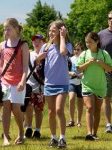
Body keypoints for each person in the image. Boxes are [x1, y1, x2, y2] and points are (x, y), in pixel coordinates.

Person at [36, 20, 72, 148]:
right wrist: (39, 57)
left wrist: (62, 37)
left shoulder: (67, 45)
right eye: (50, 30)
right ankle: (54, 138)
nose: (51, 33)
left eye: (54, 31)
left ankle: (62, 138)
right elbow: (37, 60)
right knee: (51, 112)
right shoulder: (46, 46)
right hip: (49, 83)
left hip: (62, 83)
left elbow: (62, 52)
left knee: (59, 110)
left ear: (61, 31)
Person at [76, 32, 112, 140]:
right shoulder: (84, 54)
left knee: (97, 110)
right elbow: (78, 68)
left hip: (100, 86)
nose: (88, 44)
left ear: (96, 42)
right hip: (87, 85)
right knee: (89, 107)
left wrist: (101, 63)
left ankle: (95, 133)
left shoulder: (104, 53)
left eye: (90, 42)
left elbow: (110, 68)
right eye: (86, 42)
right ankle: (89, 133)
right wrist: (88, 63)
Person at [1, 18, 29, 146]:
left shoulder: (23, 45)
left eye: (8, 29)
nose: (6, 31)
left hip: (18, 81)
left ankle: (21, 132)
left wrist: (23, 81)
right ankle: (5, 137)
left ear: (16, 29)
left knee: (16, 109)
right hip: (5, 81)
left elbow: (25, 66)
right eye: (5, 29)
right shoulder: (2, 45)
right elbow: (1, 65)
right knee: (6, 108)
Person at [24, 34, 45, 139]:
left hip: (41, 86)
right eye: (34, 41)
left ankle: (37, 130)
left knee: (39, 110)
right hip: (28, 85)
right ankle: (28, 127)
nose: (36, 43)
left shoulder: (46, 55)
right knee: (29, 107)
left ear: (43, 43)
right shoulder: (28, 54)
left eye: (39, 41)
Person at [98, 10, 112, 133]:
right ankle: (108, 124)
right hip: (106, 71)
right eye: (109, 18)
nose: (111, 20)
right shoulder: (101, 35)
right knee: (106, 98)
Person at [67, 42, 84, 127]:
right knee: (71, 98)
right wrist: (70, 73)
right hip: (72, 82)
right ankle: (71, 120)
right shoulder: (70, 59)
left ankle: (79, 121)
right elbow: (65, 71)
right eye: (75, 49)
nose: (76, 51)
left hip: (81, 83)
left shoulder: (84, 59)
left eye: (78, 49)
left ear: (82, 50)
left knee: (80, 101)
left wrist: (83, 74)